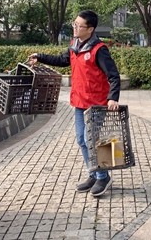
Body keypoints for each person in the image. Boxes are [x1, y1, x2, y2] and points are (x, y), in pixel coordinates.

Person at [28, 10, 121, 197]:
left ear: (90, 29)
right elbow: (62, 60)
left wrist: (113, 97)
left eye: (79, 26)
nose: (75, 28)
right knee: (81, 140)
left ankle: (103, 177)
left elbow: (113, 75)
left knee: (91, 140)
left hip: (96, 103)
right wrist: (40, 57)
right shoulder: (74, 45)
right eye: (74, 24)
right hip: (79, 101)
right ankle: (93, 174)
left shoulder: (99, 49)